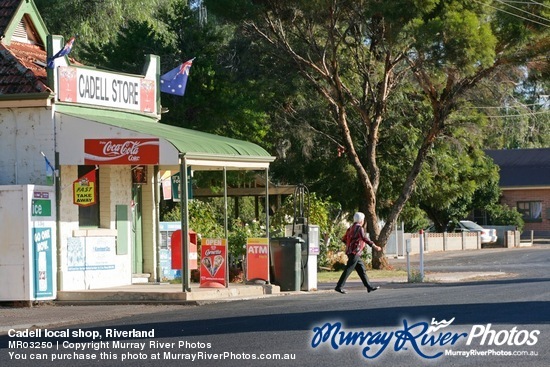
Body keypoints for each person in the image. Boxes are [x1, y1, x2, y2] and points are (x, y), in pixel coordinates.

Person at [335, 212, 382, 294]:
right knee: (348, 269)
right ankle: (339, 286)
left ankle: (368, 287)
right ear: (361, 220)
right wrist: (375, 247)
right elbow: (365, 239)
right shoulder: (359, 228)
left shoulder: (350, 228)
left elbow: (344, 239)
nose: (363, 221)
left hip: (351, 252)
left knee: (361, 269)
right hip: (355, 252)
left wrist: (350, 244)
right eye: (363, 220)